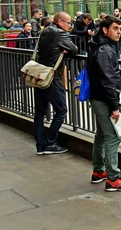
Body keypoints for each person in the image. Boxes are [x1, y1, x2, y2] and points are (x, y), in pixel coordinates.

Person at [87, 15, 121, 192]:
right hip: (104, 98)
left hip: (99, 96)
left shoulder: (99, 45)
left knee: (101, 134)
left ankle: (99, 171)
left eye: (120, 28)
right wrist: (115, 106)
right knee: (113, 137)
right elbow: (108, 80)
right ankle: (113, 179)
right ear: (105, 30)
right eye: (115, 28)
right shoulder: (104, 50)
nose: (119, 32)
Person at [33, 12, 79, 155]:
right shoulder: (60, 33)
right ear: (60, 22)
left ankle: (40, 146)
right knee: (61, 110)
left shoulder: (44, 31)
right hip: (53, 77)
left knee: (39, 112)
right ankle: (50, 142)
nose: (70, 26)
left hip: (40, 74)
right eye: (68, 23)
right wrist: (65, 51)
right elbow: (75, 50)